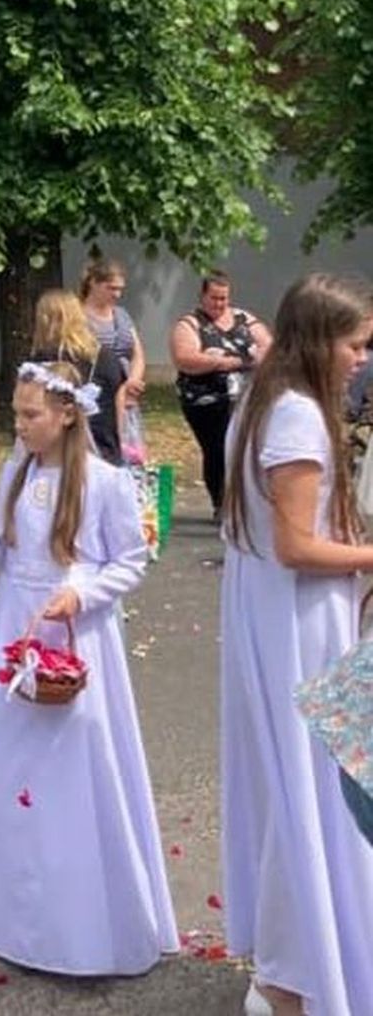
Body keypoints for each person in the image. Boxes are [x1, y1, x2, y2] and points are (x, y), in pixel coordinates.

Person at [0, 361, 176, 976]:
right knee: (10, 764)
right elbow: (6, 558)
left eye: (30, 414)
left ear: (67, 414)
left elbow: (131, 560)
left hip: (74, 632)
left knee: (73, 764)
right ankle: (2, 910)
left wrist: (82, 593)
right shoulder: (16, 473)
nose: (20, 424)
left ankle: (79, 915)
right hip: (16, 626)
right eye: (17, 413)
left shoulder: (105, 482)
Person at [218, 273, 373, 1016]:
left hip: (274, 612)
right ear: (320, 340)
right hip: (299, 620)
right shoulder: (298, 417)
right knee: (317, 791)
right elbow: (296, 546)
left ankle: (299, 964)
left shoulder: (264, 400)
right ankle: (291, 974)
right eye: (355, 344)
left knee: (302, 789)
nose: (361, 359)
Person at [169, 269, 272, 522]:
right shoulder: (189, 324)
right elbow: (186, 359)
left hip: (247, 398)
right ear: (202, 296)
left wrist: (223, 359)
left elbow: (268, 347)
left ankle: (246, 503)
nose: (219, 304)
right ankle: (221, 502)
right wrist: (233, 361)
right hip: (206, 401)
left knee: (247, 450)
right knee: (217, 449)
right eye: (214, 298)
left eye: (223, 298)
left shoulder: (244, 318)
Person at [30, 288, 125, 465]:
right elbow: (118, 409)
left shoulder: (40, 365)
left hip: (57, 454)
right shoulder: (106, 357)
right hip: (104, 451)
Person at [81, 256, 147, 405]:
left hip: (126, 391)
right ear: (93, 283)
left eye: (120, 289)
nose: (117, 294)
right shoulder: (78, 315)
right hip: (96, 392)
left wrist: (133, 381)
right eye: (111, 288)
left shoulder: (122, 314)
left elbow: (138, 354)